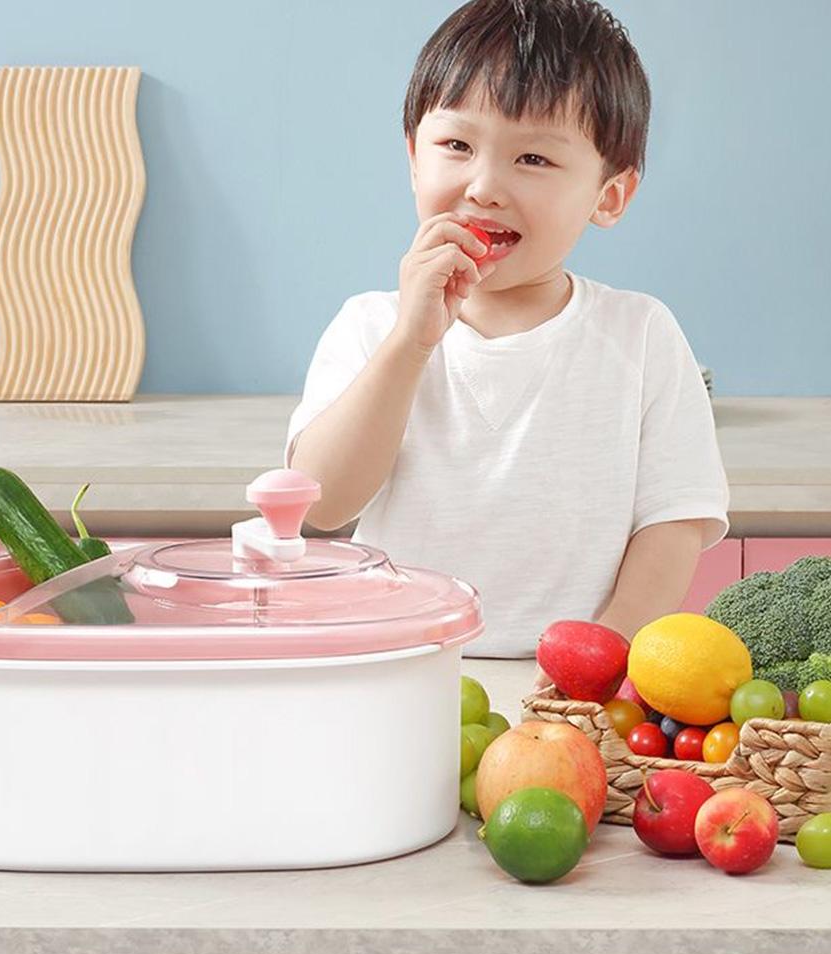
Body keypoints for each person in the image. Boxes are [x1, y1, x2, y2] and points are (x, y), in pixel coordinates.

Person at [284, 0, 729, 666]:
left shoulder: (639, 333)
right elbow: (320, 501)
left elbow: (674, 522)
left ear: (608, 195)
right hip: (399, 667)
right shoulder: (372, 325)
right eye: (456, 146)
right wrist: (410, 342)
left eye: (533, 159)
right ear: (413, 158)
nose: (484, 186)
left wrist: (600, 657)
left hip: (570, 692)